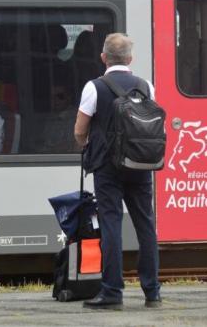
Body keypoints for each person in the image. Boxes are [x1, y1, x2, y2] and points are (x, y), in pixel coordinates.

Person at [74, 33, 161, 310]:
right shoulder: (145, 85)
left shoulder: (94, 87)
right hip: (140, 165)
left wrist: (88, 145)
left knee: (111, 225)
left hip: (107, 168)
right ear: (130, 59)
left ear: (103, 58)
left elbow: (79, 130)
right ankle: (152, 292)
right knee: (146, 226)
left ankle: (112, 292)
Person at [35, 84, 79, 153]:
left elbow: (70, 146)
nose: (56, 100)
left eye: (60, 96)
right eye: (52, 97)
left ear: (69, 97)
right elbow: (42, 142)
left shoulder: (76, 118)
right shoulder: (50, 120)